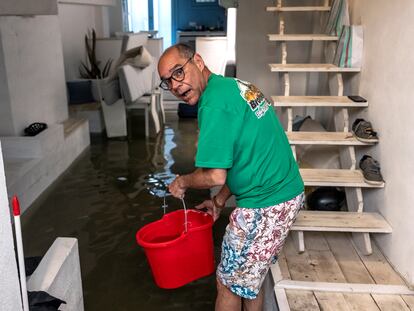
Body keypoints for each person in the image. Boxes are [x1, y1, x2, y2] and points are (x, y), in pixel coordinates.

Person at [158, 43, 304, 311]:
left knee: (227, 283)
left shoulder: (213, 105)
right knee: (248, 281)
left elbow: (214, 175)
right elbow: (242, 156)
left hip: (267, 203)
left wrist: (182, 182)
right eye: (167, 81)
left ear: (198, 62)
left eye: (178, 72)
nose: (175, 85)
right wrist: (220, 201)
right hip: (282, 194)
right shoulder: (232, 86)